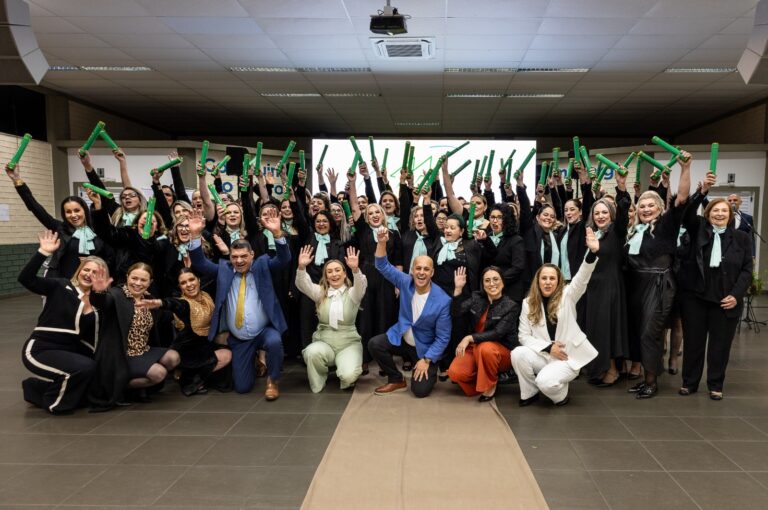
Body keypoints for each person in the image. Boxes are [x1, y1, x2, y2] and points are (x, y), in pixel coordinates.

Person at [187, 209, 290, 399]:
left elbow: (284, 259)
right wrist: (194, 235)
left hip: (263, 331)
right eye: (234, 257)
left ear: (252, 255)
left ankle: (273, 380)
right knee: (242, 387)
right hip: (240, 338)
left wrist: (277, 233)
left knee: (275, 342)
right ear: (230, 257)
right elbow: (200, 263)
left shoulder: (262, 266)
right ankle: (255, 361)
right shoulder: (224, 270)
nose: (239, 260)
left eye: (244, 256)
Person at [678, 175, 753, 400]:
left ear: (730, 215)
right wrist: (702, 192)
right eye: (715, 210)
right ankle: (689, 382)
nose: (719, 214)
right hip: (696, 298)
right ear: (708, 214)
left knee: (720, 347)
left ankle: (715, 384)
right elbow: (687, 213)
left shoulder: (741, 238)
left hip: (725, 300)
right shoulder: (698, 230)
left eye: (724, 211)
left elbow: (747, 270)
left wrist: (736, 295)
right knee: (693, 344)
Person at [624, 152, 691, 399]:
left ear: (660, 208)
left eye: (651, 205)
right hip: (636, 285)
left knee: (649, 333)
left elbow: (681, 198)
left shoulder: (666, 225)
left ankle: (651, 382)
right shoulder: (634, 232)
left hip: (660, 285)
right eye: (642, 206)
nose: (646, 209)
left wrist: (685, 169)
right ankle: (646, 378)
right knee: (639, 332)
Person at [511, 228, 601, 407]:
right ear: (538, 281)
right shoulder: (528, 303)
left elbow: (582, 277)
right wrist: (548, 347)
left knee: (544, 382)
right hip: (544, 354)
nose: (547, 282)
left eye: (552, 278)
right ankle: (530, 392)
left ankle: (560, 395)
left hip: (567, 356)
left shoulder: (568, 295)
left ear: (559, 281)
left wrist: (592, 252)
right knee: (517, 353)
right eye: (544, 278)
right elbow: (523, 336)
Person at [18, 231, 105, 414]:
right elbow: (26, 279)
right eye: (86, 269)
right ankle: (53, 404)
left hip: (68, 351)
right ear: (79, 270)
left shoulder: (99, 301)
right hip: (41, 349)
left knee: (95, 384)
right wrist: (43, 252)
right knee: (83, 369)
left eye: (95, 272)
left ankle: (34, 388)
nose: (89, 274)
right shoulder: (60, 286)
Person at [368, 227, 452, 398]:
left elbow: (443, 337)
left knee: (420, 391)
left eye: (426, 269)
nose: (421, 272)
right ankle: (396, 379)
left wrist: (426, 360)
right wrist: (382, 242)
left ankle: (429, 370)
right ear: (412, 270)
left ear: (432, 272)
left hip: (424, 350)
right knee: (375, 344)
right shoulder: (405, 281)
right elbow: (382, 265)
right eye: (418, 268)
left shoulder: (443, 300)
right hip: (403, 340)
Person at [138, 268, 233, 396]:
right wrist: (161, 303)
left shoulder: (205, 295)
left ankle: (197, 375)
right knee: (226, 355)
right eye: (183, 283)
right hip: (188, 352)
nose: (189, 285)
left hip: (204, 344)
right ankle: (189, 378)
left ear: (198, 280)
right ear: (180, 287)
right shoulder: (184, 303)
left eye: (191, 280)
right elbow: (175, 304)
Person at [89, 262, 180, 395]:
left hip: (143, 351)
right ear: (127, 277)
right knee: (159, 373)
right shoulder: (116, 295)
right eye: (134, 278)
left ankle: (138, 389)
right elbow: (103, 303)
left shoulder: (148, 298)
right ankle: (116, 387)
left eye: (143, 280)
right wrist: (98, 292)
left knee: (173, 357)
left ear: (150, 282)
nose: (138, 283)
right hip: (121, 355)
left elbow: (163, 316)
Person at [7, 164, 112, 279]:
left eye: (77, 210)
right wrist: (17, 180)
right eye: (68, 212)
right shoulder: (60, 228)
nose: (73, 215)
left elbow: (107, 256)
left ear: (84, 210)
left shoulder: (97, 231)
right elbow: (35, 208)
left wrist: (97, 203)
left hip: (89, 282)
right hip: (61, 282)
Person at [295, 246, 367, 392]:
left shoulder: (353, 293)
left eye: (337, 270)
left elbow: (361, 285)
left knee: (348, 376)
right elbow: (303, 285)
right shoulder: (320, 292)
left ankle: (344, 368)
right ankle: (320, 378)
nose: (334, 274)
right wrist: (301, 267)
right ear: (326, 276)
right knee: (311, 352)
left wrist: (355, 270)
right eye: (329, 271)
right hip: (324, 342)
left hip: (348, 344)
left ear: (344, 274)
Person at [447, 266, 518, 401]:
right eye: (487, 280)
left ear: (503, 282)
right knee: (455, 373)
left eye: (496, 279)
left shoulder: (511, 306)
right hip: (475, 347)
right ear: (483, 284)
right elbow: (456, 312)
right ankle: (485, 378)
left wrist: (469, 337)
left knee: (485, 348)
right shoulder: (476, 298)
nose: (492, 283)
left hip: (501, 352)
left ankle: (490, 385)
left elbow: (497, 333)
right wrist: (458, 290)